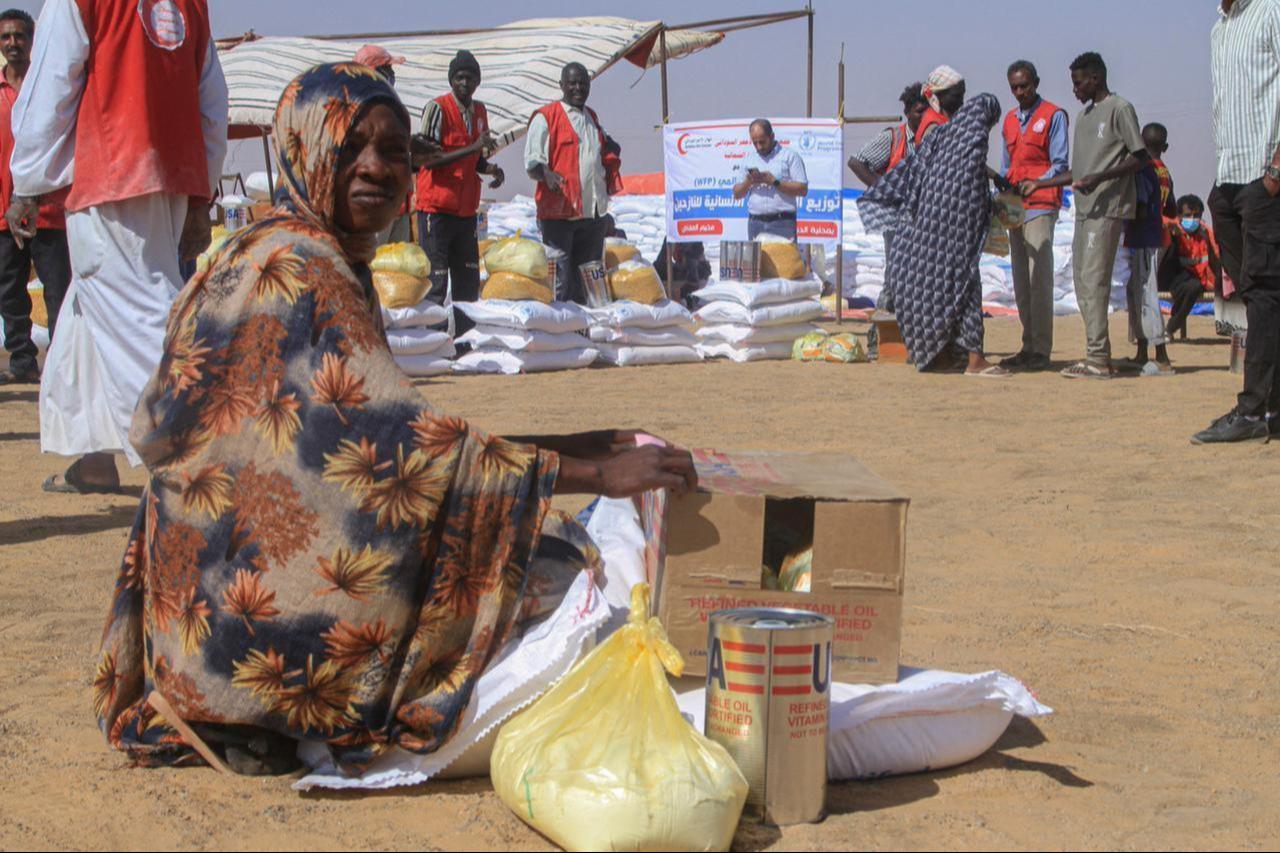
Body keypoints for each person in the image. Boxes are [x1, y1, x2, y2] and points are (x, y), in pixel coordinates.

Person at [94, 63, 698, 774]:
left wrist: (578, 443)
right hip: (251, 638)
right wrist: (594, 471)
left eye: (394, 150)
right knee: (554, 567)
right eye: (351, 148)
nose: (377, 168)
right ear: (305, 148)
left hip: (198, 619)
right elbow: (394, 454)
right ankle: (282, 714)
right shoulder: (302, 272)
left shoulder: (266, 250)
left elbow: (379, 431)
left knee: (522, 540)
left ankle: (259, 711)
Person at [7, 0, 226, 493]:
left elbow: (51, 86)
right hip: (169, 176)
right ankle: (95, 461)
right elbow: (212, 99)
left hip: (111, 175)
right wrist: (199, 192)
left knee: (139, 319)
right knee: (88, 318)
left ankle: (195, 468)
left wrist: (26, 180)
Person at [857, 94, 1010, 377]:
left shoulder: (939, 140)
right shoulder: (972, 146)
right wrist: (991, 207)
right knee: (968, 293)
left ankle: (936, 358)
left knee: (934, 297)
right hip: (955, 242)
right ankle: (975, 362)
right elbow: (969, 195)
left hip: (922, 238)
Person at [1192, 0, 1280, 443]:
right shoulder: (1219, 29)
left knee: (1266, 292)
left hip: (1265, 176)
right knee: (1256, 294)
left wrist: (1277, 170)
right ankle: (1273, 406)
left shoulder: (1271, 11)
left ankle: (1251, 410)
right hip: (1229, 177)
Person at [1032, 52, 1148, 379]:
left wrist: (1101, 178)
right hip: (1084, 209)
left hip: (1107, 208)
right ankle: (1096, 353)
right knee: (1083, 282)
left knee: (1095, 280)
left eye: (1078, 82)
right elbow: (1079, 172)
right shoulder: (1083, 117)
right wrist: (1040, 184)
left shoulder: (1120, 109)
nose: (1075, 89)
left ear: (1095, 79)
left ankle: (1098, 359)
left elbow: (1140, 158)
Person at [0, 8, 71, 385]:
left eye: (20, 36)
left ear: (32, 40)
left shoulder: (48, 90)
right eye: (6, 37)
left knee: (58, 292)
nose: (13, 43)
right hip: (1, 213)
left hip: (48, 212)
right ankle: (23, 362)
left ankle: (60, 366)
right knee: (10, 293)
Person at [415, 50, 503, 330]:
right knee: (436, 282)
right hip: (437, 210)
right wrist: (473, 147)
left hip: (465, 211)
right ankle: (435, 342)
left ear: (478, 82)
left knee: (467, 281)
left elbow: (474, 159)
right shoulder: (437, 109)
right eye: (460, 78)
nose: (465, 83)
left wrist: (491, 169)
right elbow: (425, 159)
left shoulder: (479, 112)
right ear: (451, 80)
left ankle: (465, 343)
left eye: (470, 78)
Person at [524, 62, 622, 304]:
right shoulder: (546, 117)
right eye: (573, 83)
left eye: (583, 83)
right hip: (560, 215)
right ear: (562, 86)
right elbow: (532, 163)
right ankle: (558, 334)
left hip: (592, 214)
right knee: (560, 280)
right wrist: (546, 174)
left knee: (589, 282)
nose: (578, 88)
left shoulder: (592, 117)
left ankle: (583, 331)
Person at [999, 60, 1069, 372]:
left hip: (1041, 202)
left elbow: (1061, 163)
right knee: (1020, 281)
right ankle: (1028, 345)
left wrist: (1036, 183)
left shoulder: (1053, 116)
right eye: (1014, 87)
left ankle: (1041, 349)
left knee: (1038, 277)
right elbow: (1006, 164)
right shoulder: (1010, 119)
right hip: (1014, 205)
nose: (1019, 92)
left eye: (1024, 86)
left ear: (1036, 83)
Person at [1120, 155, 1174, 375]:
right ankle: (1142, 353)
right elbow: (1171, 206)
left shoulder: (1141, 170)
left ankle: (1161, 357)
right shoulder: (1163, 171)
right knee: (1136, 294)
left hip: (1143, 239)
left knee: (1146, 296)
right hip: (1152, 236)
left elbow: (1139, 207)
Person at [732, 119, 809, 240]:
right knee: (757, 259)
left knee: (783, 258)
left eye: (762, 142)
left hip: (783, 222)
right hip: (755, 223)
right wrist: (748, 182)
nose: (759, 147)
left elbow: (802, 189)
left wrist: (774, 182)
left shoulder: (790, 156)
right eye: (755, 143)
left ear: (772, 136)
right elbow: (737, 194)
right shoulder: (748, 160)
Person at [847, 83, 927, 188]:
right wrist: (884, 191)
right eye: (919, 111)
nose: (924, 116)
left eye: (927, 111)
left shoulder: (932, 137)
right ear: (907, 113)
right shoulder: (893, 138)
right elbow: (856, 163)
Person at [1164, 194, 1222, 340]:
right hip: (1173, 276)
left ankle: (1170, 328)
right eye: (1188, 215)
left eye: (1196, 215)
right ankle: (1170, 328)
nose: (1192, 219)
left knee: (1194, 286)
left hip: (1198, 278)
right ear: (1179, 215)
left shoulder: (1205, 233)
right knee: (1192, 287)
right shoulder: (1171, 230)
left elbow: (1216, 257)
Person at [916, 65, 965, 145]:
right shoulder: (933, 128)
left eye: (962, 95)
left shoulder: (946, 122)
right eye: (956, 96)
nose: (961, 101)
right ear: (939, 96)